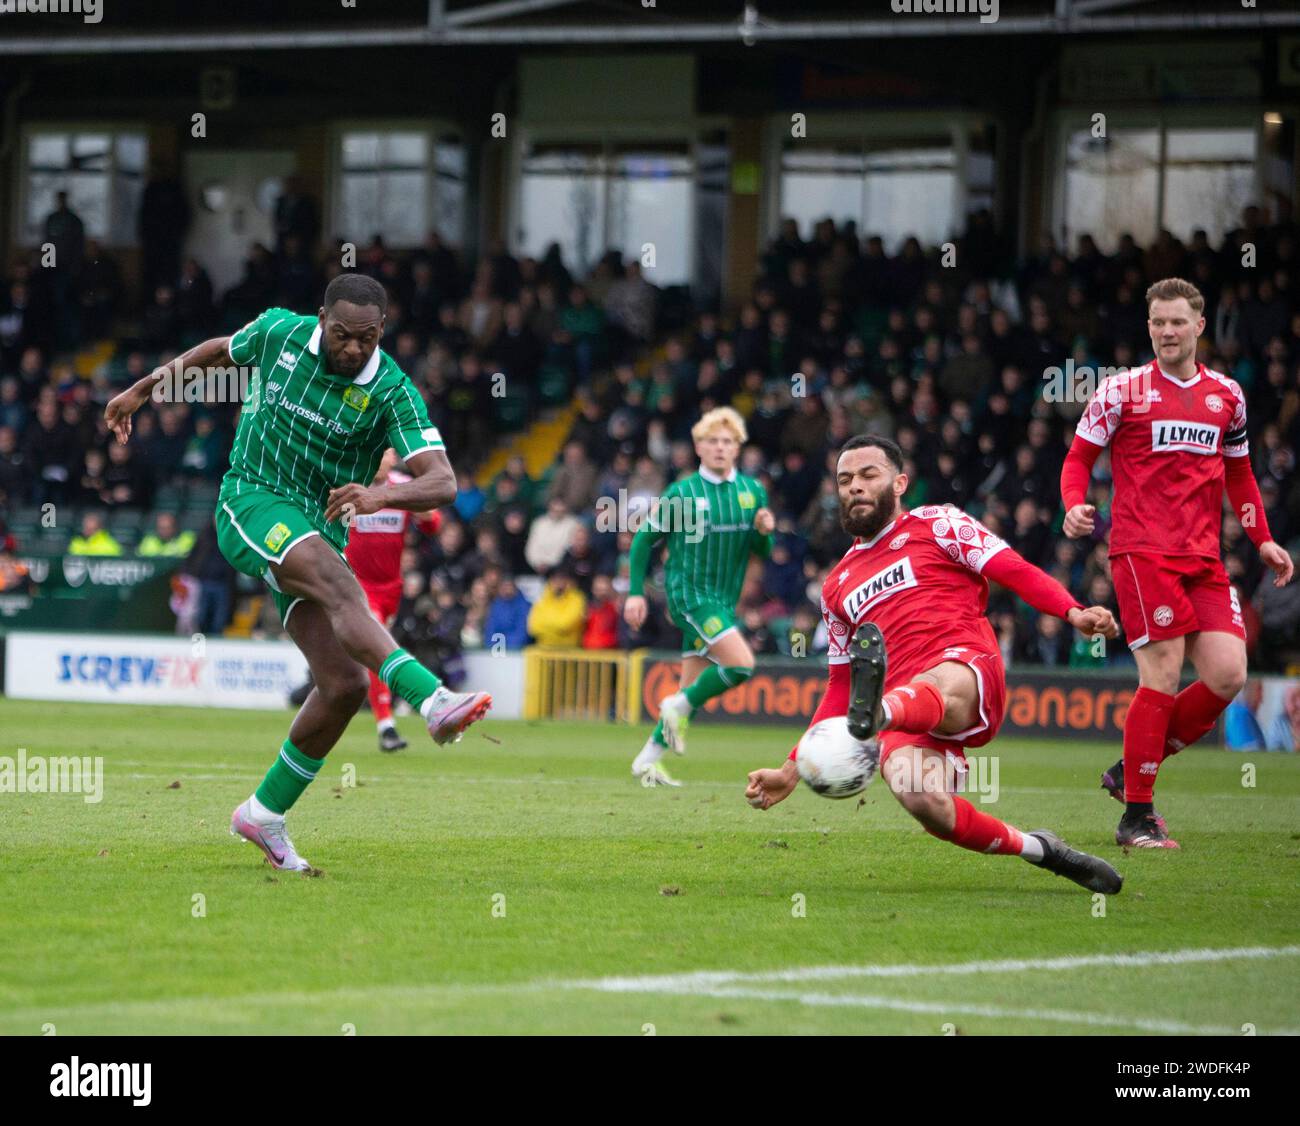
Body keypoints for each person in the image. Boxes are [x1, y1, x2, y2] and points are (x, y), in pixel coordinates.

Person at [104, 273, 492, 874]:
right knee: (343, 588)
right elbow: (215, 351)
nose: (353, 349)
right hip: (252, 499)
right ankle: (432, 698)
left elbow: (443, 482)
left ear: (381, 332)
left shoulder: (393, 391)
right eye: (342, 335)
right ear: (320, 320)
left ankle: (263, 814)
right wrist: (141, 390)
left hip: (318, 532)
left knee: (343, 686)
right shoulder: (279, 332)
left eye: (366, 338)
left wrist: (379, 497)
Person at [745, 435, 1124, 895]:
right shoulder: (836, 586)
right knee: (921, 798)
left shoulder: (938, 523)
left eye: (868, 475)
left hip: (964, 666)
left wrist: (1073, 611)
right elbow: (841, 688)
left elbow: (1012, 569)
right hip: (906, 703)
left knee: (931, 685)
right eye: (845, 480)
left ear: (900, 482)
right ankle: (1042, 850)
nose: (855, 488)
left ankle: (879, 716)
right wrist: (791, 770)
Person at [1061, 277, 1294, 849]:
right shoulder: (1120, 392)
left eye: (1177, 321)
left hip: (1205, 557)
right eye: (1158, 322)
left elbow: (1238, 473)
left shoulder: (1228, 397)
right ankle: (1136, 817)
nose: (1167, 331)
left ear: (1199, 327)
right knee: (1162, 675)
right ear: (1149, 328)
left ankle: (1129, 769)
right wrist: (1073, 506)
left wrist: (1261, 538)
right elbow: (1078, 458)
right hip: (1142, 553)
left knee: (1227, 674)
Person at [624, 407, 775, 786]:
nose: (720, 448)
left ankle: (647, 761)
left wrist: (764, 530)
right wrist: (634, 593)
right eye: (712, 441)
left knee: (688, 689)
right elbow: (644, 539)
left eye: (727, 441)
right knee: (740, 665)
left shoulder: (752, 491)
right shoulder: (684, 492)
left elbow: (762, 549)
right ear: (698, 447)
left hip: (723, 600)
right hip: (688, 595)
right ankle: (677, 706)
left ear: (738, 448)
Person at [343, 447, 442, 752]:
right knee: (379, 648)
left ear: (393, 457)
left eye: (385, 452)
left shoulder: (402, 487)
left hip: (391, 587)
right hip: (357, 585)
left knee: (372, 655)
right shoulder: (349, 485)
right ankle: (387, 724)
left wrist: (423, 510)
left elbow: (433, 525)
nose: (380, 458)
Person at [527, 566, 586, 648]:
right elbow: (533, 627)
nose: (558, 583)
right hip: (544, 649)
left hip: (569, 650)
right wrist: (556, 626)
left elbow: (564, 625)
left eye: (562, 579)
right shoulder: (543, 598)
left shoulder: (577, 599)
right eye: (554, 579)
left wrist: (546, 625)